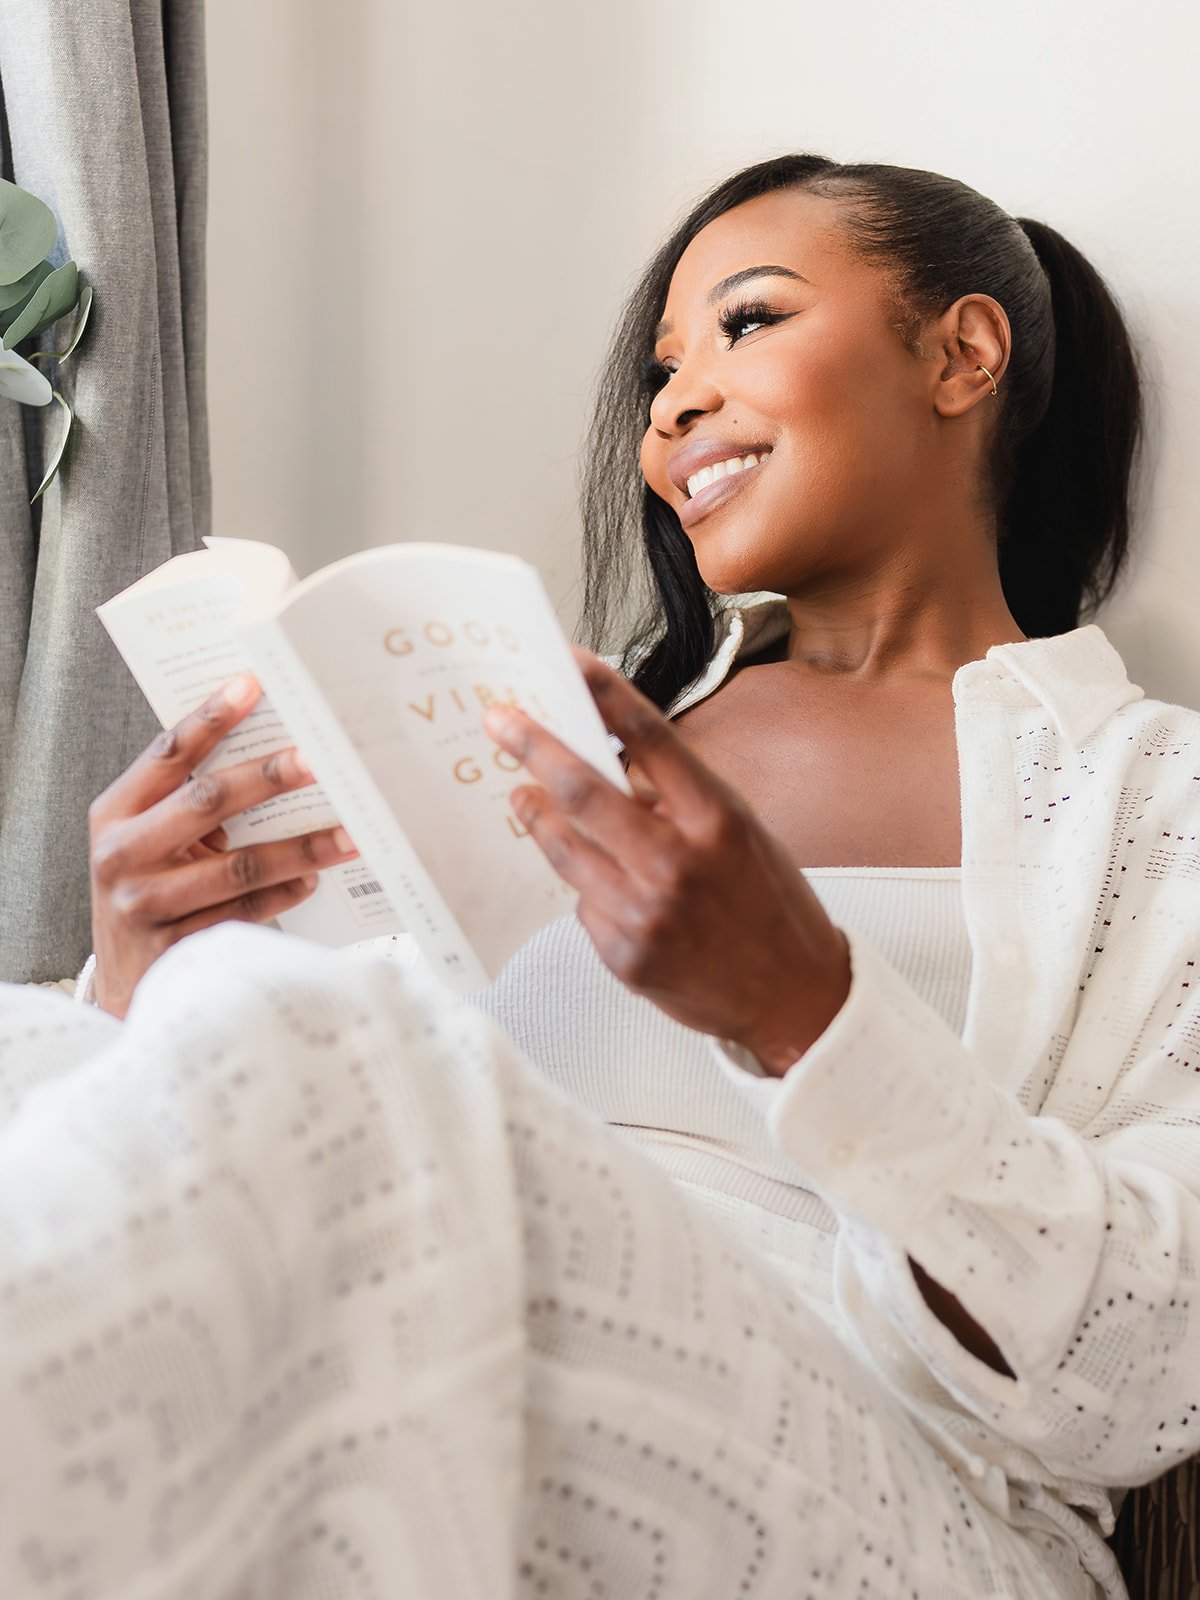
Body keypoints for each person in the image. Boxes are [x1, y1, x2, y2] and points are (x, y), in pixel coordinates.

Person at [7, 155, 1198, 1598]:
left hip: (900, 1485)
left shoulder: (1155, 803)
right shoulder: (549, 742)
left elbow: (1143, 1363)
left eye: (746, 324)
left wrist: (805, 1010)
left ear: (961, 354)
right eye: (662, 372)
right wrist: (139, 977)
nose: (674, 405)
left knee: (321, 1060)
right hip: (444, 1321)